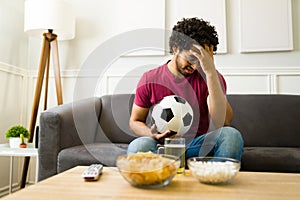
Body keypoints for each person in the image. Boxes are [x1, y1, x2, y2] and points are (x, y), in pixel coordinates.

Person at [127, 17, 244, 161]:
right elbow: (135, 121)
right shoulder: (150, 79)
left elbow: (223, 121)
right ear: (176, 48)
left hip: (198, 145)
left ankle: (214, 178)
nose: (195, 67)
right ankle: (155, 179)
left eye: (200, 60)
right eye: (191, 58)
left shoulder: (211, 77)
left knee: (231, 135)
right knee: (137, 146)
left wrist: (210, 72)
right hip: (162, 144)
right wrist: (152, 134)